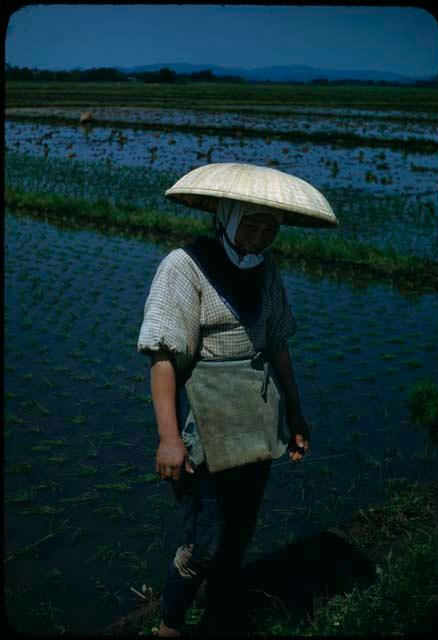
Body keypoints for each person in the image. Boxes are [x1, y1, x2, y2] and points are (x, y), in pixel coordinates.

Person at [137, 192, 313, 637]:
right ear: (228, 218)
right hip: (206, 422)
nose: (260, 237)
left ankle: (218, 615)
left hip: (255, 418)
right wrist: (169, 438)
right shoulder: (185, 265)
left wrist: (295, 413)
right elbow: (162, 356)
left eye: (271, 228)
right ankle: (170, 626)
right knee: (204, 543)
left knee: (239, 531)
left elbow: (277, 345)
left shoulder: (266, 270)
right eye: (252, 225)